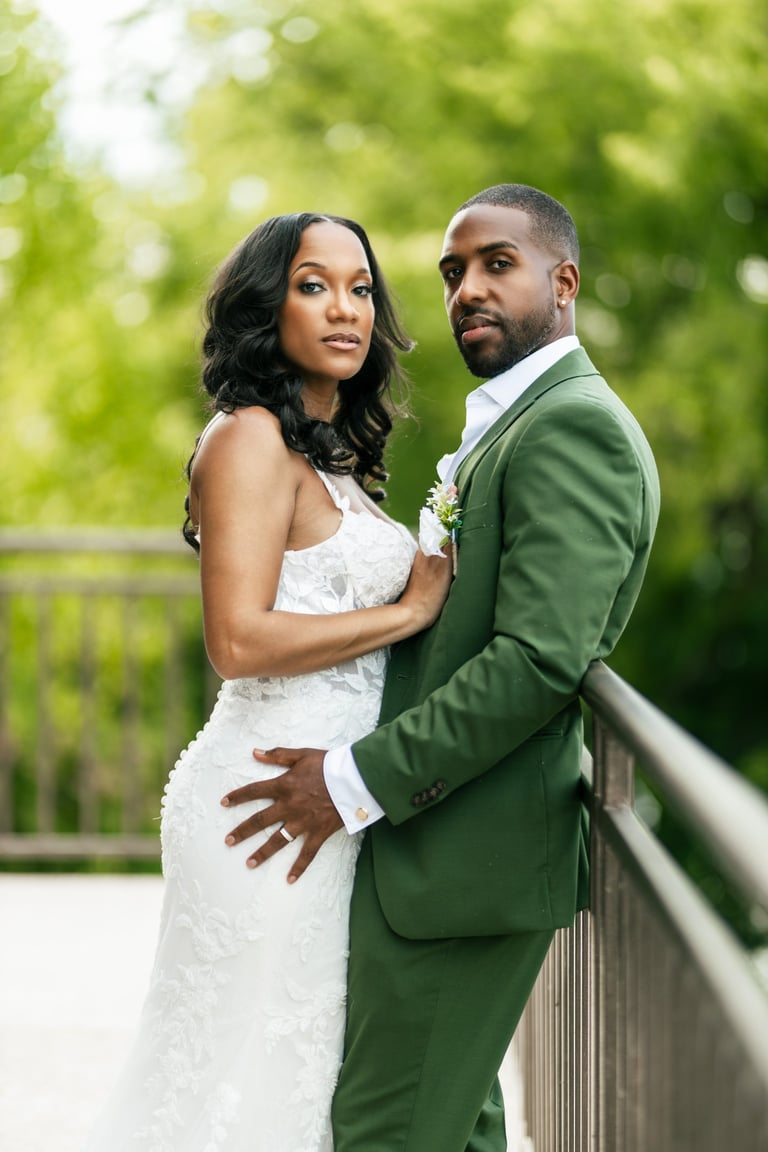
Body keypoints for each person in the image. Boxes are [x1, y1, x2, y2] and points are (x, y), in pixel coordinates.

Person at [221, 184, 661, 1151]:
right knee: (452, 1132)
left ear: (565, 281)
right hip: (431, 846)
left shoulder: (572, 427)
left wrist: (353, 780)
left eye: (498, 265)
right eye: (453, 273)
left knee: (384, 1133)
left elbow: (538, 662)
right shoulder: (515, 422)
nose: (468, 290)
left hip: (462, 852)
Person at [82, 212, 452, 1152]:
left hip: (328, 803)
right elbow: (237, 639)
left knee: (291, 1079)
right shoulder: (247, 438)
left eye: (361, 289)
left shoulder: (327, 454)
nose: (346, 309)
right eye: (313, 285)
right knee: (233, 1083)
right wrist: (409, 611)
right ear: (266, 306)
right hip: (264, 806)